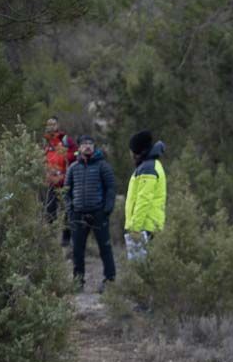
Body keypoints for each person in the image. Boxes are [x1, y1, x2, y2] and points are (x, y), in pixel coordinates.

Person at [65, 135, 116, 292]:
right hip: (78, 215)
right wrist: (70, 210)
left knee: (105, 248)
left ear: (94, 147)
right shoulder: (73, 168)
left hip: (98, 213)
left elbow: (111, 188)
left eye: (90, 144)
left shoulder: (103, 166)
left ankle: (109, 281)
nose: (88, 146)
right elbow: (67, 191)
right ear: (79, 148)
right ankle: (78, 282)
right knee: (78, 251)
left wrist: (107, 209)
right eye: (84, 144)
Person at [124, 130, 167, 261]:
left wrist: (135, 228)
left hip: (145, 228)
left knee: (142, 269)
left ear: (138, 152)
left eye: (132, 150)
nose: (130, 154)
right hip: (147, 225)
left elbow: (143, 200)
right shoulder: (148, 165)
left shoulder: (148, 168)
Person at [42, 116, 76, 246]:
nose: (51, 126)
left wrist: (65, 155)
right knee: (50, 211)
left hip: (64, 182)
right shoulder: (45, 142)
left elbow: (76, 153)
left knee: (67, 210)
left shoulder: (66, 140)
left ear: (58, 125)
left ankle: (66, 240)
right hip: (50, 183)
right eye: (49, 124)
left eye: (54, 124)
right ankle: (50, 240)